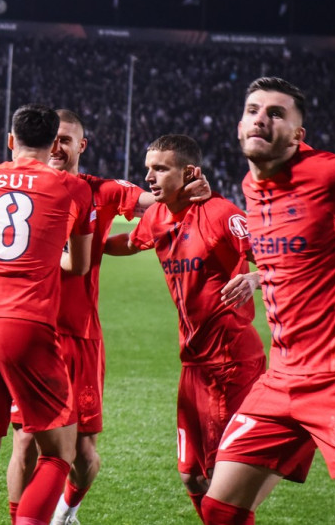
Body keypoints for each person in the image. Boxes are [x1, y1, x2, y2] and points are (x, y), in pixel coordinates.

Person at [0, 109, 208, 524]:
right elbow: (68, 260)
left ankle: (63, 513)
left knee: (78, 456)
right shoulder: (67, 192)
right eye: (54, 140)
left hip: (65, 333)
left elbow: (155, 200)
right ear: (45, 141)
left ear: (79, 146)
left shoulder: (92, 189)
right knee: (33, 446)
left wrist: (188, 189)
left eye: (67, 141)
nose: (59, 148)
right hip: (32, 327)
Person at [200, 77, 335, 524]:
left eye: (276, 113)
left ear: (297, 134)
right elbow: (292, 251)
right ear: (238, 126)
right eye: (252, 110)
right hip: (281, 378)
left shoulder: (331, 173)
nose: (261, 119)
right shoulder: (252, 183)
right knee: (219, 508)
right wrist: (255, 275)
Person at [103, 134, 266, 518]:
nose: (149, 178)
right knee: (192, 476)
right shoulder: (158, 215)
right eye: (148, 169)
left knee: (223, 482)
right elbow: (131, 241)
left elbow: (277, 257)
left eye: (160, 169)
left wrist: (256, 279)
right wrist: (85, 243)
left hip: (231, 364)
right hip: (193, 364)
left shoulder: (222, 213)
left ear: (190, 172)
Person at [0, 103, 94, 525]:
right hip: (24, 322)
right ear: (53, 144)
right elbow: (80, 265)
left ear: (10, 141)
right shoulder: (72, 189)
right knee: (59, 452)